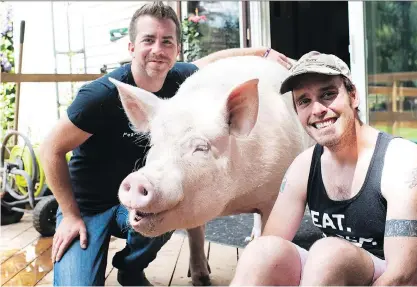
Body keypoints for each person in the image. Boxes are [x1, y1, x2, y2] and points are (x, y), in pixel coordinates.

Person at [39, 2, 293, 286]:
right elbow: (51, 148)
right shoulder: (100, 96)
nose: (158, 49)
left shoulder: (180, 79)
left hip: (141, 198)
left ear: (176, 51)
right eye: (148, 40)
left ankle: (130, 268)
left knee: (166, 209)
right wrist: (71, 215)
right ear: (131, 47)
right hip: (87, 207)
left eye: (167, 41)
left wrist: (263, 53)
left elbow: (215, 60)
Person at [230, 51, 417, 286]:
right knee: (261, 252)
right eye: (304, 101)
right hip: (331, 277)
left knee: (329, 254)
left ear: (354, 96)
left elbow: (405, 277)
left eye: (328, 94)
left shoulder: (400, 160)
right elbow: (272, 250)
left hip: (391, 281)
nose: (317, 109)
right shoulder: (305, 165)